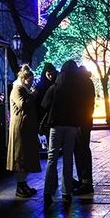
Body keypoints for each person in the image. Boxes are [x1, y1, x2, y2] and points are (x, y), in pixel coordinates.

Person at [41, 60, 82, 209]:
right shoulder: (76, 90)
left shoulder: (55, 88)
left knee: (51, 158)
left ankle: (47, 192)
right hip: (71, 126)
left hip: (56, 126)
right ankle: (67, 193)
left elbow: (44, 105)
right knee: (68, 158)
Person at [7, 64, 41, 198]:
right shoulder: (17, 89)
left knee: (25, 156)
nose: (31, 83)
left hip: (26, 128)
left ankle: (23, 184)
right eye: (29, 80)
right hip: (20, 129)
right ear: (23, 78)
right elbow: (23, 105)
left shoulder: (23, 89)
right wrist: (33, 95)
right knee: (20, 157)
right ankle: (20, 186)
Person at [73, 65, 96, 196]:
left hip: (82, 122)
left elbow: (80, 103)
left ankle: (85, 181)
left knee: (82, 150)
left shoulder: (83, 83)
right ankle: (85, 180)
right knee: (83, 149)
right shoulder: (88, 82)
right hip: (86, 121)